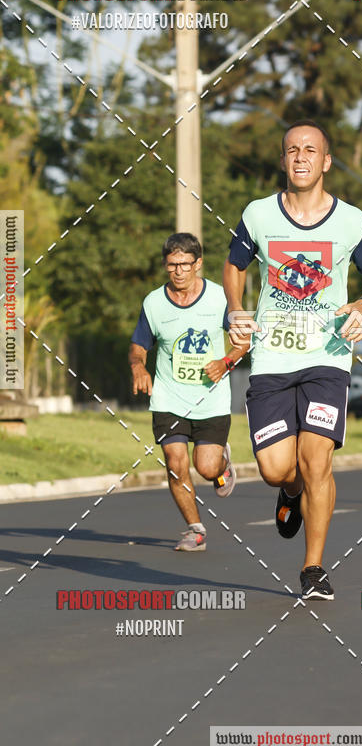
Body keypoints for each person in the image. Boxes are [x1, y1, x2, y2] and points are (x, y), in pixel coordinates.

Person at [223, 120, 362, 599]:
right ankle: (289, 493)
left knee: (316, 459)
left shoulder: (351, 221)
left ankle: (313, 568)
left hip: (329, 354)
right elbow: (234, 264)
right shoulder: (258, 214)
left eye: (310, 150)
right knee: (279, 468)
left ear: (326, 161)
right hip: (273, 354)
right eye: (292, 149)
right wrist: (236, 307)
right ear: (283, 160)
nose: (300, 157)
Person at [129, 233, 247, 551]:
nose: (178, 271)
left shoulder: (221, 298)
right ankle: (195, 529)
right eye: (172, 265)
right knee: (174, 460)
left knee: (205, 467)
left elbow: (243, 342)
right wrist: (139, 367)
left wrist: (225, 362)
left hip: (211, 398)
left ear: (198, 264)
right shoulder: (154, 303)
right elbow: (139, 345)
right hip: (169, 397)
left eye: (184, 264)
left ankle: (222, 462)